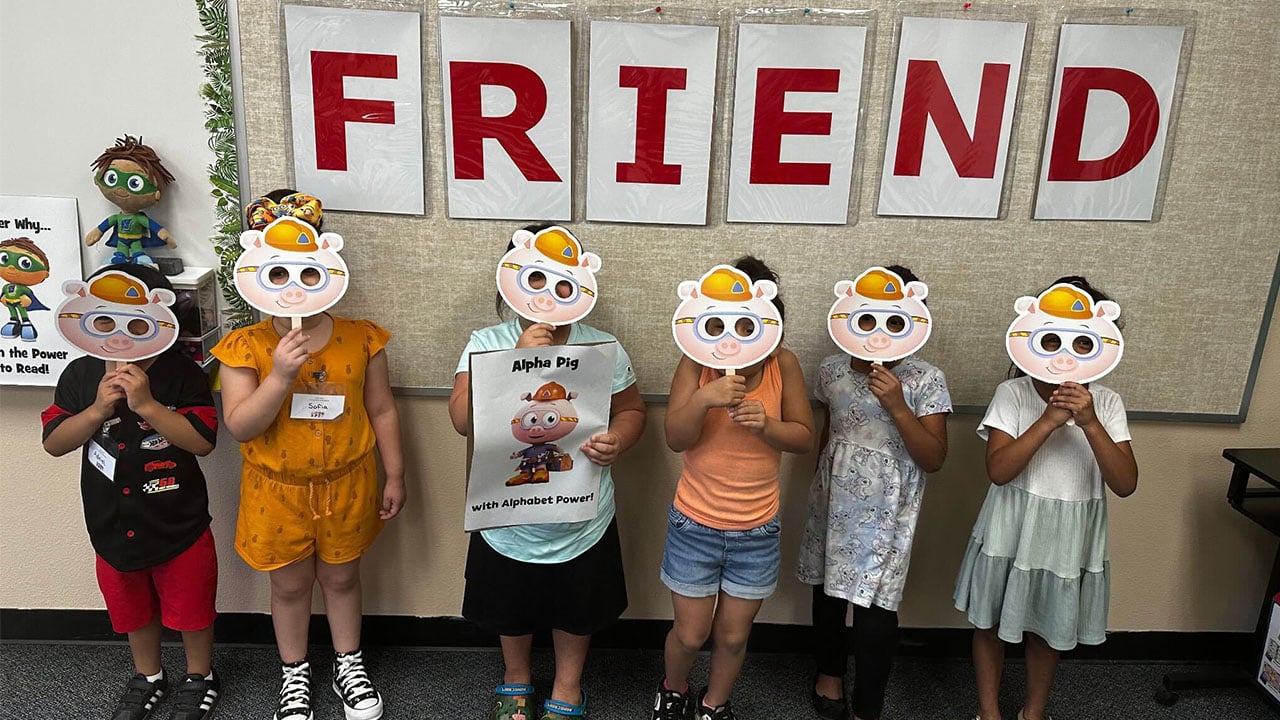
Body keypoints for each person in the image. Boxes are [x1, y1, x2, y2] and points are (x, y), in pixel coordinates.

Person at [212, 191, 406, 720]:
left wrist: (396, 473)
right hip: (277, 491)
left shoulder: (362, 339)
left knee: (343, 577)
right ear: (256, 270)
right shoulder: (244, 346)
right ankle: (294, 671)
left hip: (349, 482)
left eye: (304, 271)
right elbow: (240, 425)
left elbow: (382, 409)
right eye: (276, 274)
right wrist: (278, 375)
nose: (291, 286)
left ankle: (349, 661)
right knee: (290, 583)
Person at [448, 224, 646, 720]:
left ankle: (568, 684)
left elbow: (633, 411)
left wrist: (618, 439)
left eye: (562, 284)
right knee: (509, 604)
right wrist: (511, 360)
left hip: (584, 512)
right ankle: (516, 678)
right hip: (507, 515)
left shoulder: (604, 347)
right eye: (535, 281)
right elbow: (458, 419)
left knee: (577, 605)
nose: (548, 297)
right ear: (511, 283)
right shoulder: (486, 340)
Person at [41, 263, 221, 720]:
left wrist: (147, 405)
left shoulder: (182, 372)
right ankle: (150, 675)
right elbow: (55, 444)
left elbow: (201, 442)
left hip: (179, 522)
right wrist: (99, 408)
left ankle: (200, 675)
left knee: (192, 607)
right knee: (133, 609)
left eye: (136, 323)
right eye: (104, 320)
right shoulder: (81, 374)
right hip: (112, 526)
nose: (120, 334)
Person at [953, 277, 1139, 720]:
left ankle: (1033, 711)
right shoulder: (1012, 394)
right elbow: (998, 471)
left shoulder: (1108, 404)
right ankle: (989, 711)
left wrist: (1090, 423)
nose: (1063, 354)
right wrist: (1048, 422)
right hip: (1011, 525)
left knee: (1047, 630)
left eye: (1078, 342)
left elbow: (1126, 483)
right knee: (990, 622)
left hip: (1067, 535)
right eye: (1050, 338)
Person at [655, 257, 815, 720]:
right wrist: (705, 399)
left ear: (770, 323)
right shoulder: (695, 364)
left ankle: (714, 705)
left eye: (749, 322)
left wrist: (767, 426)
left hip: (756, 530)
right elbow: (675, 437)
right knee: (689, 634)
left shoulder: (784, 363)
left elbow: (803, 437)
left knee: (733, 635)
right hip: (694, 523)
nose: (734, 334)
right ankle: (673, 690)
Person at [797, 266, 951, 720]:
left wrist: (898, 404)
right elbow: (831, 429)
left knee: (876, 606)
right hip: (833, 494)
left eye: (893, 320)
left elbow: (935, 456)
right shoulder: (830, 368)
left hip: (889, 507)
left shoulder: (926, 378)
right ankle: (828, 672)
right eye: (867, 319)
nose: (877, 331)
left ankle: (869, 701)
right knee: (827, 589)